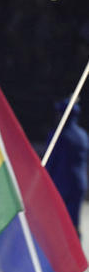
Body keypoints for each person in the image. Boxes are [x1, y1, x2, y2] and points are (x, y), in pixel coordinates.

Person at [45, 98, 88, 236]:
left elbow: (50, 162)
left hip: (61, 186)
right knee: (74, 223)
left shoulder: (58, 135)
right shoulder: (83, 136)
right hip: (79, 185)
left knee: (57, 224)